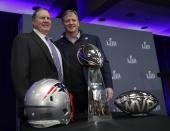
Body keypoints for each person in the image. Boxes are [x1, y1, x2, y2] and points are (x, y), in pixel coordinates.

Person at [54, 10, 113, 119]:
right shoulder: (56, 45)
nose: (71, 23)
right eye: (67, 21)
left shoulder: (93, 39)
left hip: (93, 91)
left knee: (97, 123)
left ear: (78, 23)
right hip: (70, 94)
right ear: (62, 24)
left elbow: (103, 62)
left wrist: (109, 85)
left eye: (74, 20)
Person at [11, 8, 63, 126]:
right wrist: (29, 105)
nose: (46, 20)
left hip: (57, 107)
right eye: (42, 18)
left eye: (48, 18)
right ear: (33, 22)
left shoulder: (53, 45)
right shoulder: (23, 39)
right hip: (36, 110)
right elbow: (19, 75)